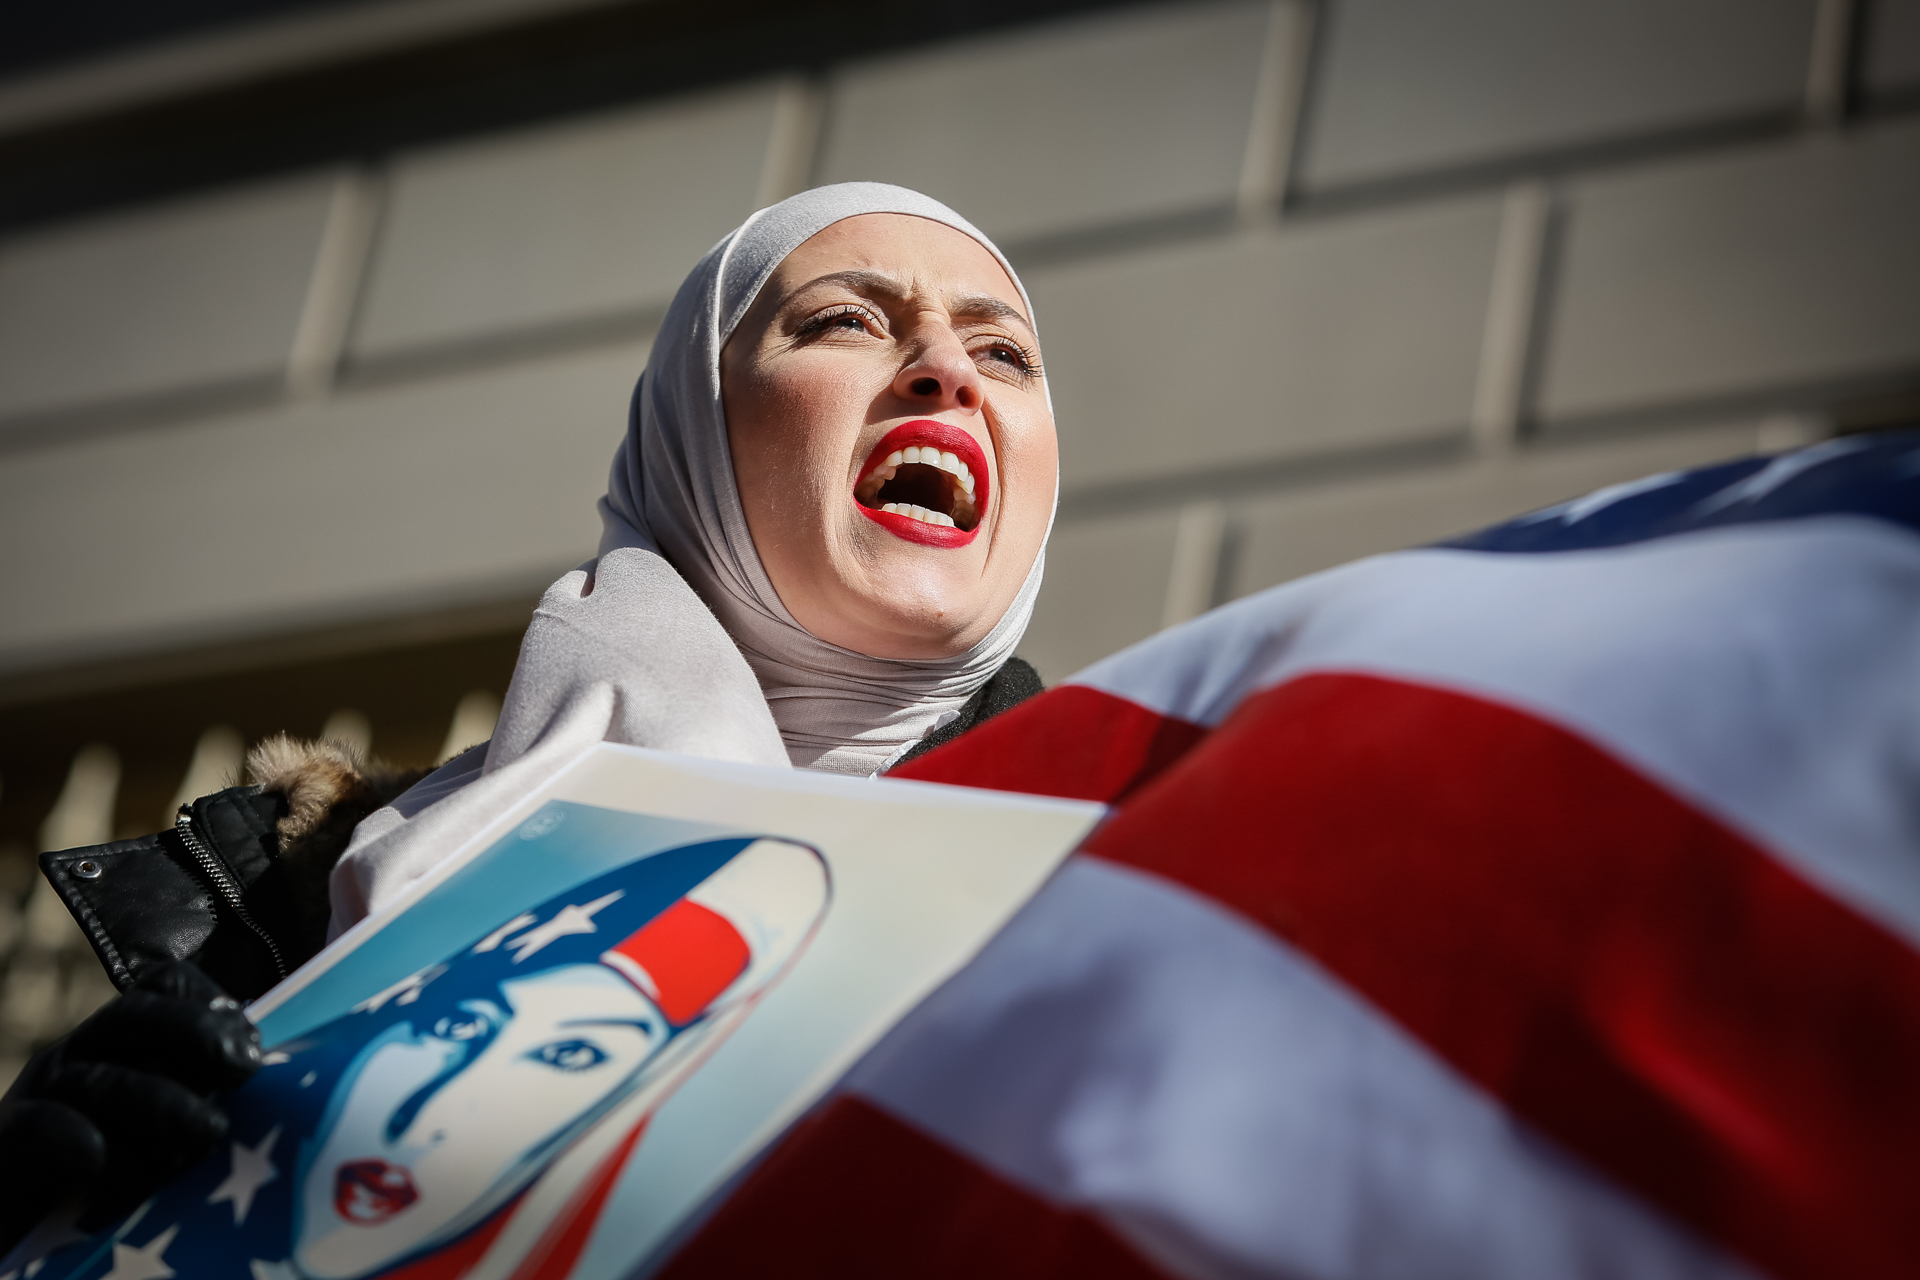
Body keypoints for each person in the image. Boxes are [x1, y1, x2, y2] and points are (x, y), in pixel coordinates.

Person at [4, 183, 1056, 1256]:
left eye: (1005, 353)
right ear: (689, 424)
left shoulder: (1105, 865)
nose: (948, 370)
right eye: (848, 320)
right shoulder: (302, 887)